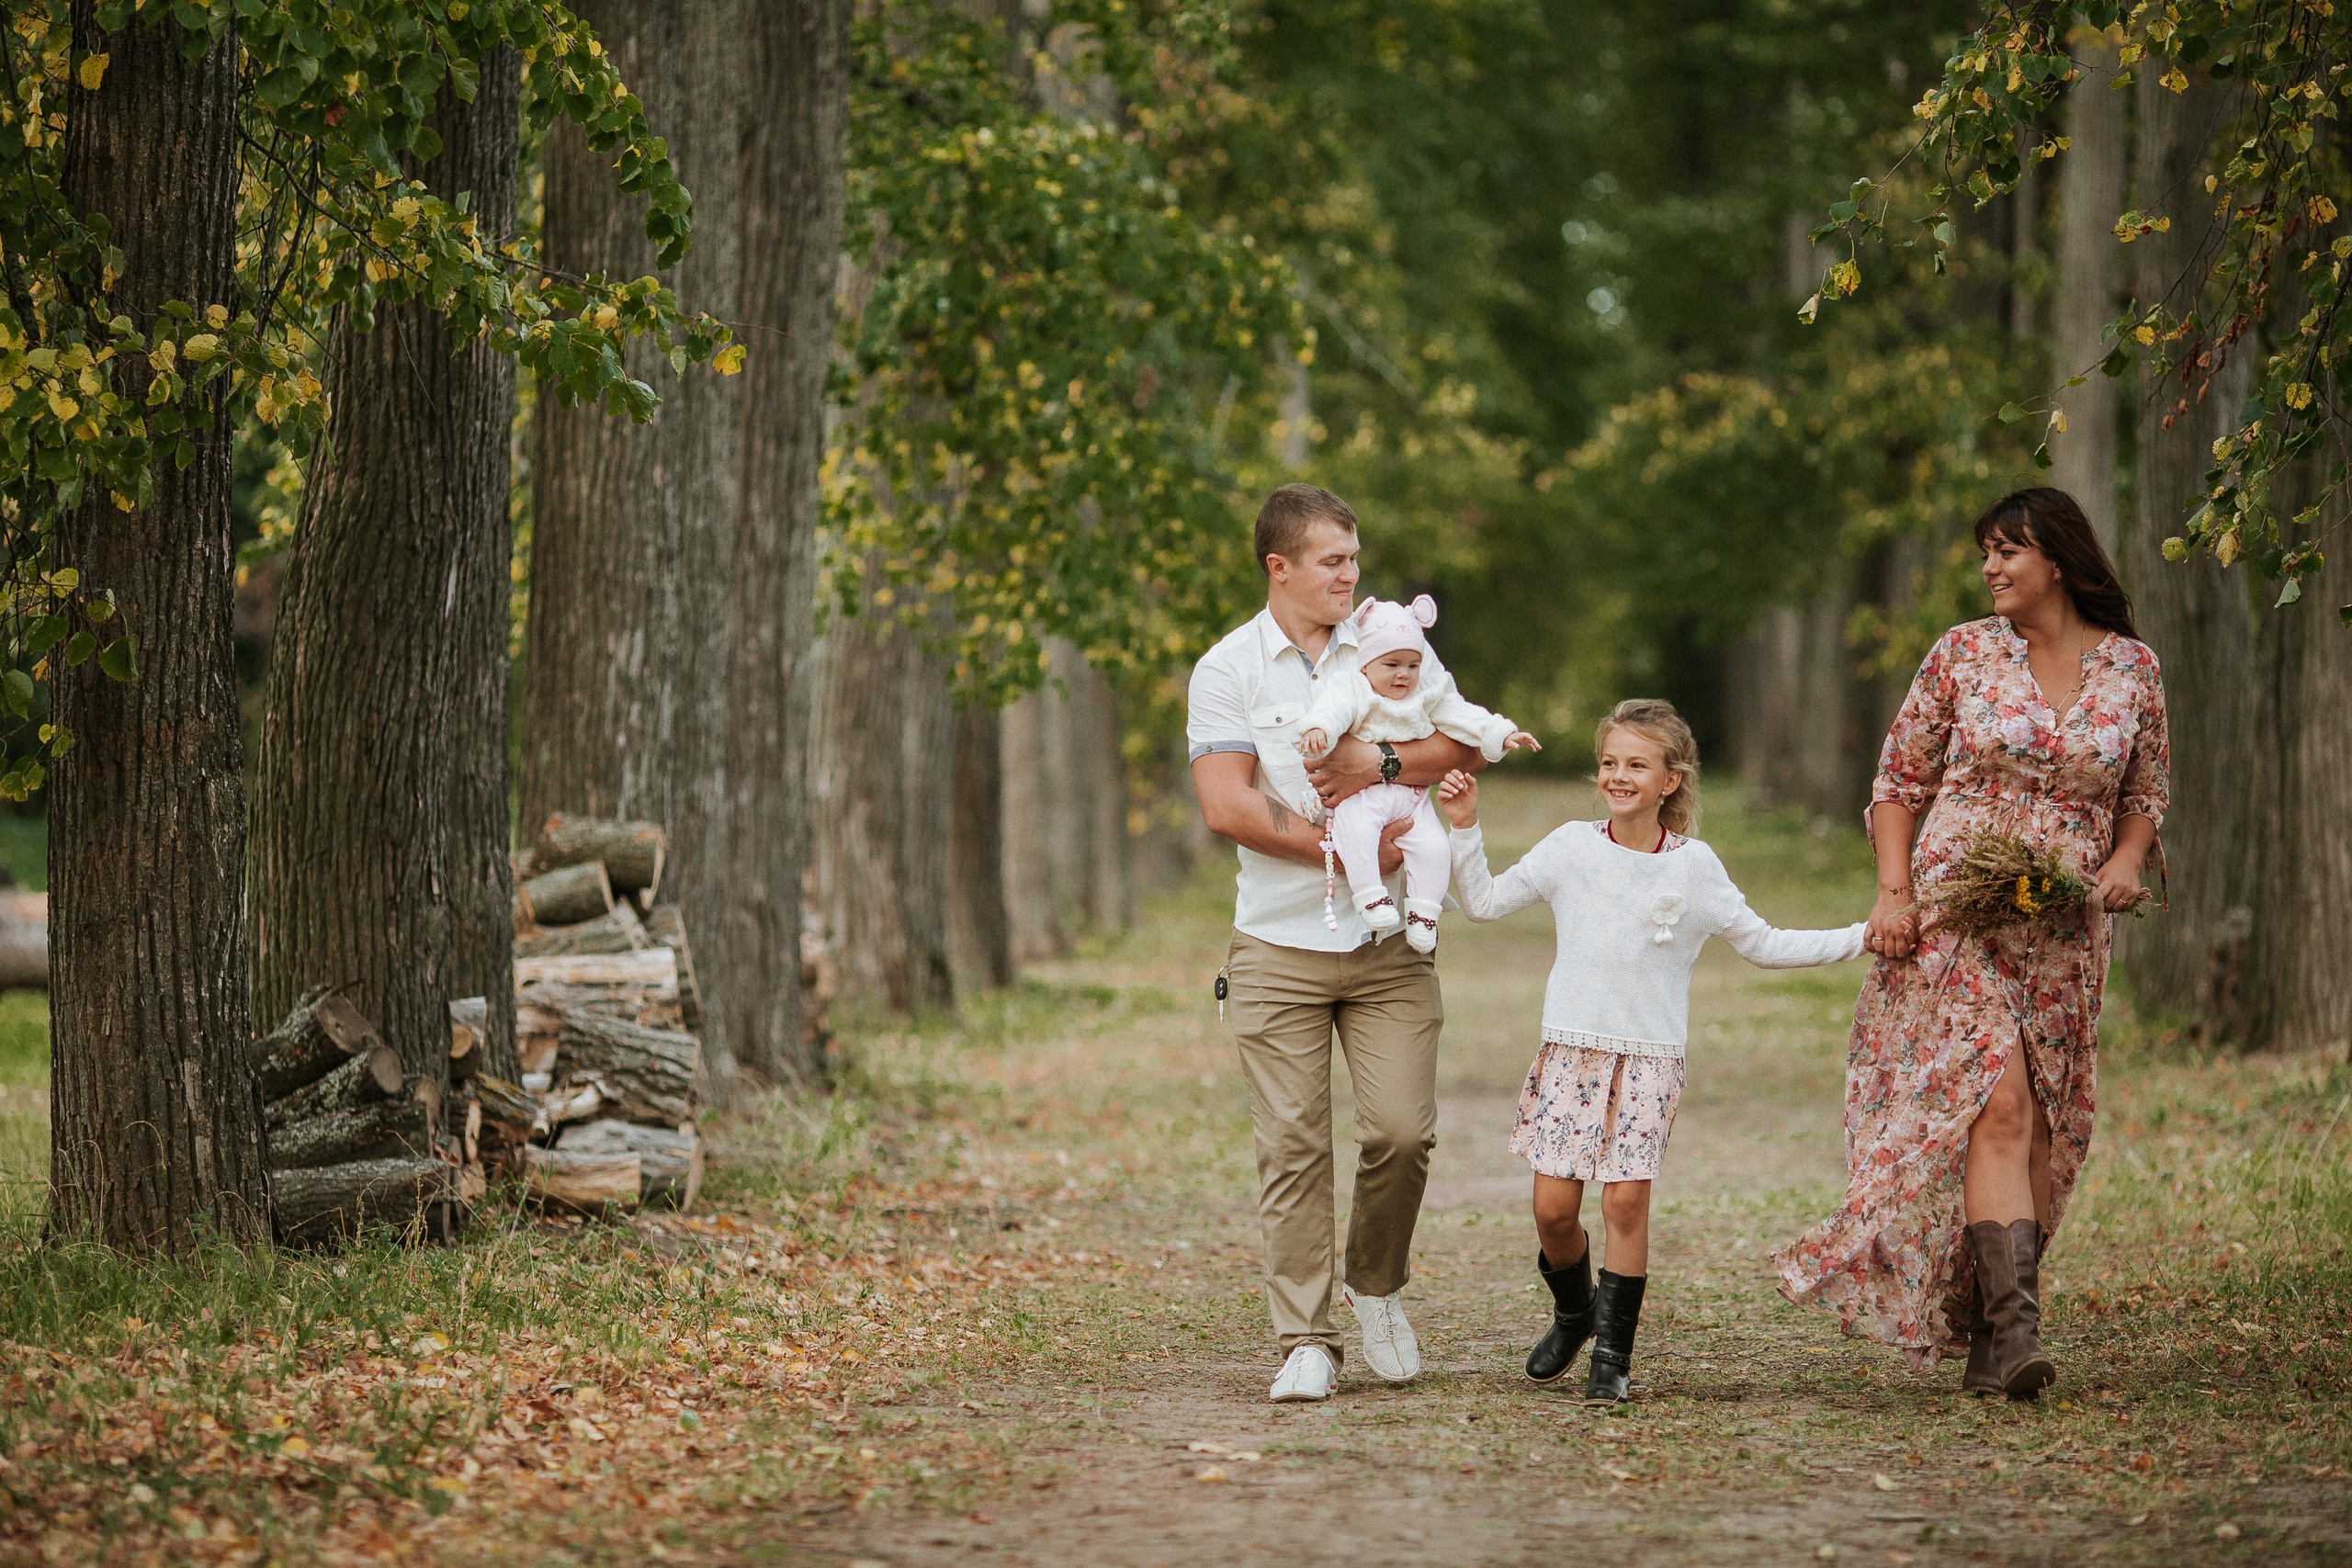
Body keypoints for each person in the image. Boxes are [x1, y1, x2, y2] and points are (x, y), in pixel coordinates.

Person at [1772, 487, 2169, 1399]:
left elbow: (2143, 795)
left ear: (2058, 561)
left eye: (2007, 551)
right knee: (1997, 1106)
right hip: (1962, 911)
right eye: (1985, 551)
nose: (1990, 567)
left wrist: (2127, 863)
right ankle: (2017, 1333)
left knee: (2043, 1124)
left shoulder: (2132, 670)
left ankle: (1996, 1338)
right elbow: (1896, 782)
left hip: (2063, 926)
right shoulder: (1961, 654)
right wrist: (1895, 893)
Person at [1438, 700, 1867, 1402]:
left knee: (1627, 1204)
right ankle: (1575, 1312)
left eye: (1636, 764)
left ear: (1671, 779)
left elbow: (1764, 943)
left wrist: (1860, 935)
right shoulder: (1571, 847)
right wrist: (1464, 828)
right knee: (1552, 1210)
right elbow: (1484, 902)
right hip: (1572, 1052)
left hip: (1648, 1060)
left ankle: (1613, 1357)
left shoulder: (1694, 868)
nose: (1618, 775)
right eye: (1610, 762)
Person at [1187, 483, 1492, 1404]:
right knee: (1291, 1147)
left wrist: (1382, 765)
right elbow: (1226, 804)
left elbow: (1461, 742)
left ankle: (1376, 1286)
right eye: (1332, 561)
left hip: (1390, 942)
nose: (1350, 575)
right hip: (1275, 946)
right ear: (1278, 567)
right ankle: (1305, 1339)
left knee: (1403, 1133)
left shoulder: (1389, 640)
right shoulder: (1228, 668)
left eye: (1354, 559)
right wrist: (1335, 844)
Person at [1293, 592, 1538, 952]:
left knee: (1435, 848)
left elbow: (1462, 714)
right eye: (1391, 665)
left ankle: (1423, 914)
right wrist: (1319, 730)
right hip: (1362, 795)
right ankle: (1370, 896)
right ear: (1367, 664)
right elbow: (1333, 710)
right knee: (1357, 832)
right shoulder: (1354, 688)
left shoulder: (1426, 694)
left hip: (1412, 796)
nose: (1403, 675)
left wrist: (1499, 732)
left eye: (1412, 665)